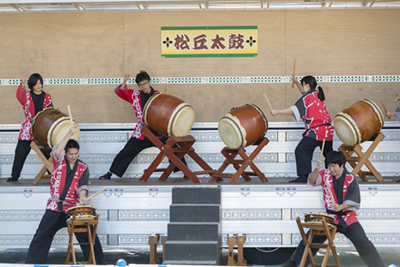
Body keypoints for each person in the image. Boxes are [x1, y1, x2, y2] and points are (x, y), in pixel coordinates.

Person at [283, 151, 385, 267]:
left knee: (364, 243)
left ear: (342, 165)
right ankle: (295, 264)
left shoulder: (350, 178)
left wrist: (341, 206)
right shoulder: (325, 174)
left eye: (334, 166)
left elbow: (355, 199)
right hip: (330, 218)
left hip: (348, 218)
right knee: (310, 238)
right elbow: (311, 182)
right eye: (329, 165)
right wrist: (316, 170)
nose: (331, 169)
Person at [25, 126, 104, 264]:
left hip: (73, 208)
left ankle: (97, 264)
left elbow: (82, 186)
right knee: (41, 235)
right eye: (71, 154)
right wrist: (69, 133)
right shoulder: (58, 161)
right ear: (66, 154)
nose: (74, 156)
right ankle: (33, 264)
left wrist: (82, 197)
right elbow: (58, 150)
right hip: (55, 206)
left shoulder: (83, 167)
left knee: (88, 236)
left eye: (76, 153)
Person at [99, 70, 187, 180]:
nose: (143, 86)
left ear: (149, 82)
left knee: (173, 148)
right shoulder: (135, 95)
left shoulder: (158, 96)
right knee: (126, 151)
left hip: (157, 131)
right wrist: (124, 81)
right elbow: (120, 92)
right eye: (140, 85)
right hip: (142, 131)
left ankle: (186, 172)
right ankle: (110, 173)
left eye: (145, 83)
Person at [270, 76, 333, 183]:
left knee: (302, 151)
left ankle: (304, 177)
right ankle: (333, 175)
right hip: (328, 131)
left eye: (303, 84)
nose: (302, 87)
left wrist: (277, 111)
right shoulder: (318, 94)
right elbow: (304, 92)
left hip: (316, 132)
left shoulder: (307, 98)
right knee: (329, 154)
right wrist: (296, 83)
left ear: (307, 85)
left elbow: (294, 110)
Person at [8, 73, 53, 182]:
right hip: (28, 127)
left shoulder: (47, 96)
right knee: (20, 153)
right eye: (36, 84)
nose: (38, 86)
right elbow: (19, 96)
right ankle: (14, 177)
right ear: (31, 84)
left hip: (42, 128)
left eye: (40, 83)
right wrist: (22, 82)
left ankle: (53, 175)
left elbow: (50, 112)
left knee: (48, 153)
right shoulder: (26, 95)